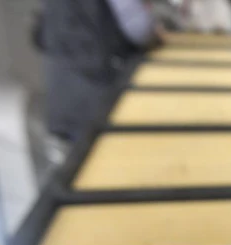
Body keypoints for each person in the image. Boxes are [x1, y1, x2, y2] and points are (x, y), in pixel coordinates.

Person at [34, 0, 165, 160]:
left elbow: (41, 35)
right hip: (104, 104)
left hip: (62, 108)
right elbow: (140, 29)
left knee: (71, 175)